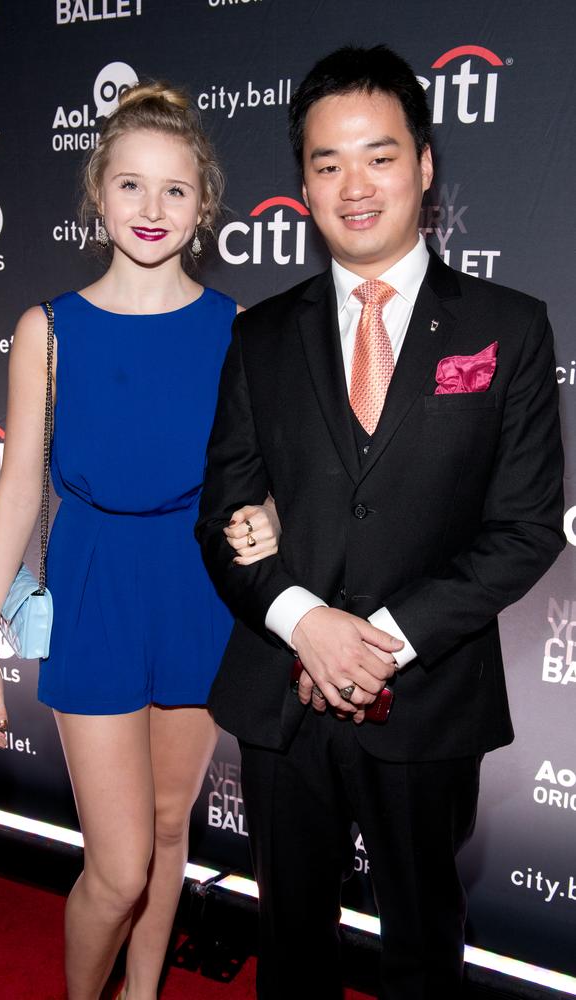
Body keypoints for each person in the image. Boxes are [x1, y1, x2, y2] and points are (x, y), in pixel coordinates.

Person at [196, 44, 565, 1000]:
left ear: (427, 162)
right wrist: (304, 622)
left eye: (380, 155)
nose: (354, 186)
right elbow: (223, 514)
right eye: (327, 164)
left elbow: (526, 527)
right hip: (282, 693)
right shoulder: (260, 334)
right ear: (304, 184)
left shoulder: (509, 327)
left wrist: (381, 642)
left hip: (429, 694)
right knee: (292, 949)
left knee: (422, 950)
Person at [0, 81, 279, 1000]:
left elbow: (264, 486)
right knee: (119, 867)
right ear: (98, 196)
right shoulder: (48, 331)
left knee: (173, 824)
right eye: (131, 186)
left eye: (175, 190)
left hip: (197, 593)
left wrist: (271, 520)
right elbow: (18, 486)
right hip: (96, 592)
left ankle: (143, 995)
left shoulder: (239, 331)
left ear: (204, 206)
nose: (152, 209)